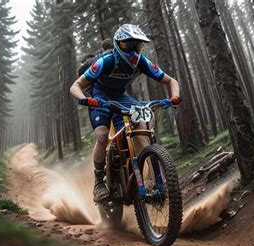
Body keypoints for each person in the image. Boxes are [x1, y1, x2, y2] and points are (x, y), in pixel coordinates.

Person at [70, 24, 181, 202]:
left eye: (137, 46)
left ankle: (152, 173)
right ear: (118, 44)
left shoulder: (142, 61)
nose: (132, 50)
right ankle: (99, 182)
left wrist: (174, 97)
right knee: (102, 135)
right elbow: (75, 86)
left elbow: (171, 80)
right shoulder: (105, 62)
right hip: (100, 96)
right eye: (127, 45)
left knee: (146, 125)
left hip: (122, 97)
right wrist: (86, 99)